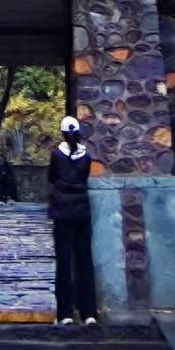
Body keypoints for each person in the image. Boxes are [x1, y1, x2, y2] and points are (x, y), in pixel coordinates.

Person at [47, 114, 97, 325]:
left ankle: (65, 313)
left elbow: (51, 177)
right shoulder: (86, 157)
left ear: (62, 133)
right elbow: (84, 177)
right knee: (85, 261)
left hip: (62, 211)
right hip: (81, 211)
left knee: (64, 262)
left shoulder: (57, 155)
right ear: (78, 133)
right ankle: (89, 312)